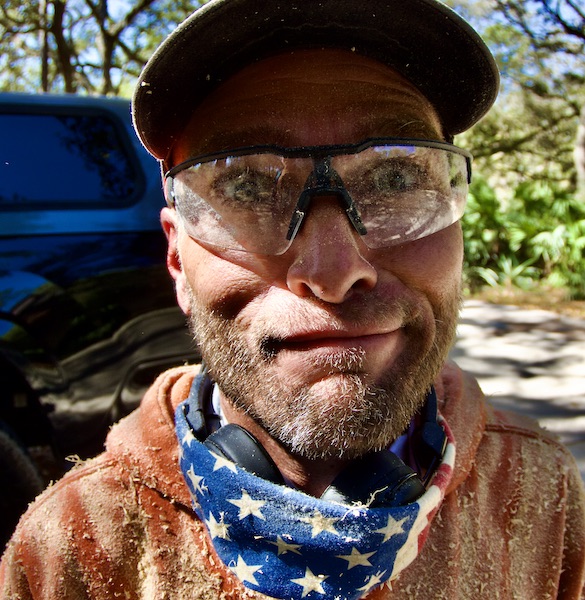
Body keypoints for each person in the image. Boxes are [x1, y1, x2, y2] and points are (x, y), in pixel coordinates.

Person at [2, 0, 584, 597]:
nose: (334, 274)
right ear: (177, 258)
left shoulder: (544, 495)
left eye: (395, 179)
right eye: (247, 187)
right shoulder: (68, 549)